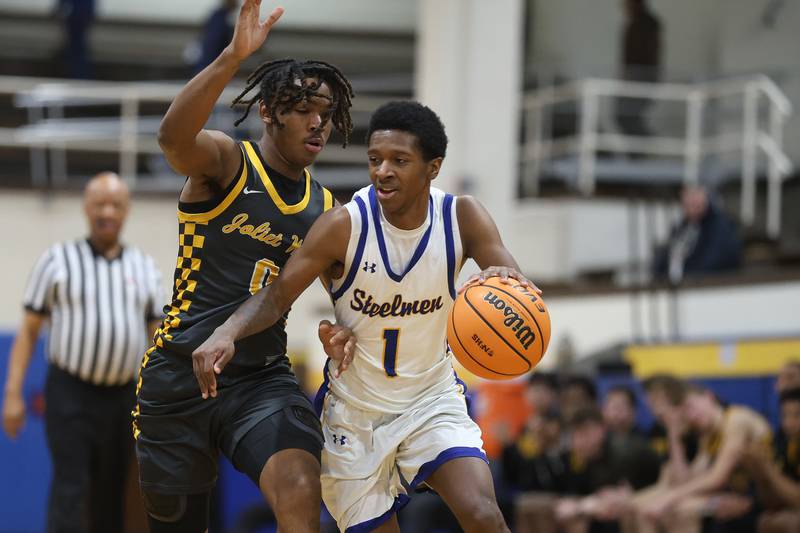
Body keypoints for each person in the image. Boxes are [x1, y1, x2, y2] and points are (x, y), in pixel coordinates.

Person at [192, 100, 541, 532]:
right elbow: (279, 294)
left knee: (482, 513)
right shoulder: (343, 225)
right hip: (354, 417)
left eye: (399, 160)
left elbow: (510, 284)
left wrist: (507, 283)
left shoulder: (462, 216)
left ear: (433, 167)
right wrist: (227, 331)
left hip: (430, 400)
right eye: (375, 160)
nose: (382, 171)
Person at [132, 2, 355, 532]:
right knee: (176, 520)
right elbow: (171, 140)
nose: (318, 120)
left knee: (302, 487)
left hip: (260, 379)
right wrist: (233, 56)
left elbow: (355, 298)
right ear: (269, 112)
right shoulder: (229, 161)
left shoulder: (328, 211)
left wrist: (341, 331)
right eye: (303, 108)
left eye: (326, 111)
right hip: (178, 373)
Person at [2, 172, 163, 533]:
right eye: (99, 204)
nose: (107, 211)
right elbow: (28, 332)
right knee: (71, 487)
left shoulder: (144, 267)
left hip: (124, 396)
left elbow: (157, 338)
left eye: (115, 205)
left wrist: (169, 398)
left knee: (111, 493)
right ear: (86, 209)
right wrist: (12, 394)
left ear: (126, 210)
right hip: (70, 392)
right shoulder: (57, 260)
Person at [629, 384, 771, 533]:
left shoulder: (736, 419)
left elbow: (717, 478)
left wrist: (669, 497)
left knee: (679, 510)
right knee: (641, 507)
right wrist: (674, 436)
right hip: (733, 495)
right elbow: (689, 480)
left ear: (709, 396)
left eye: (691, 406)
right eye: (686, 413)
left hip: (761, 499)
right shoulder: (708, 435)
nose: (691, 416)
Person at [653, 186, 742, 284]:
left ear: (704, 201)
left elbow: (714, 259)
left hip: (706, 285)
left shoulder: (719, 226)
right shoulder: (682, 227)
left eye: (694, 202)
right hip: (678, 284)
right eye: (687, 204)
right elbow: (667, 254)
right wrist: (660, 274)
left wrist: (689, 276)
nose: (691, 207)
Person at [742, 388, 800, 532]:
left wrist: (768, 469)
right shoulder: (784, 443)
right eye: (784, 416)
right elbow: (772, 504)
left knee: (788, 523)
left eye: (797, 415)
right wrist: (759, 473)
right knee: (765, 520)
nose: (789, 423)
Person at [615, 0, 661, 140]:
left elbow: (649, 54)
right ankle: (641, 149)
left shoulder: (647, 24)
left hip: (641, 77)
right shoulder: (636, 24)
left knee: (626, 115)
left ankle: (645, 146)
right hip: (633, 77)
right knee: (624, 115)